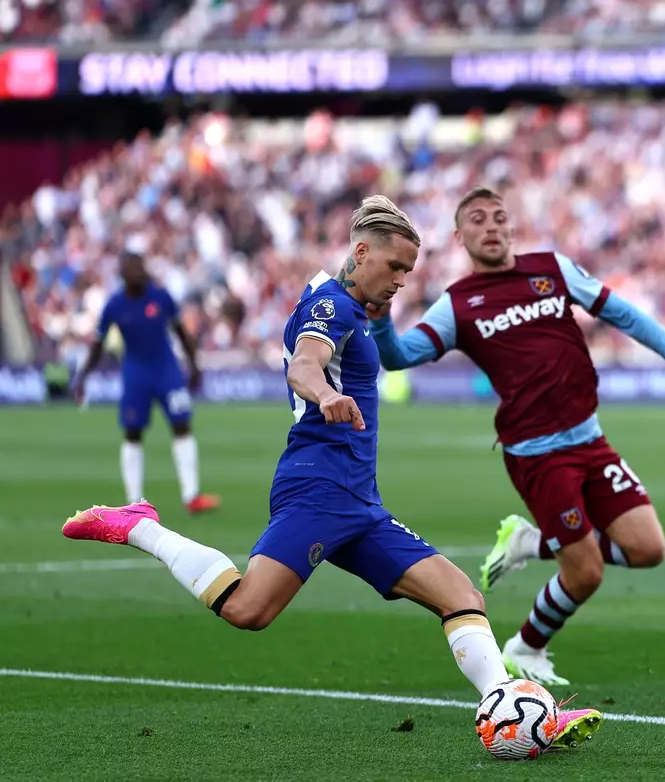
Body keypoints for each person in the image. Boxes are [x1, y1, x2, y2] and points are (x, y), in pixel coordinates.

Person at [61, 196, 603, 749]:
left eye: (408, 272)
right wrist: (325, 395)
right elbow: (305, 362)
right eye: (394, 267)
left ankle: (507, 705)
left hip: (359, 501)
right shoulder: (332, 306)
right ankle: (139, 526)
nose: (400, 281)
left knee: (459, 593)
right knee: (249, 609)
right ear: (361, 252)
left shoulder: (354, 308)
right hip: (316, 490)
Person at [370, 186, 665, 686]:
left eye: (499, 216)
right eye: (477, 219)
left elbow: (621, 313)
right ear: (459, 236)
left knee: (648, 548)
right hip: (538, 456)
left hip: (590, 439)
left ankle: (530, 543)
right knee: (584, 573)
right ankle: (525, 646)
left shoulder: (551, 269)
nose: (491, 226)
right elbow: (398, 356)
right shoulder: (458, 305)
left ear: (510, 226)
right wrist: (383, 319)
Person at [74, 252, 219, 513]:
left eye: (140, 267)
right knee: (132, 432)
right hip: (136, 374)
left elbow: (180, 332)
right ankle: (134, 502)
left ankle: (192, 496)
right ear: (122, 274)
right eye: (132, 269)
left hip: (167, 370)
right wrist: (84, 375)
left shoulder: (161, 297)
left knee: (182, 424)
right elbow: (97, 344)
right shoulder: (114, 305)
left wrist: (194, 364)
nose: (138, 273)